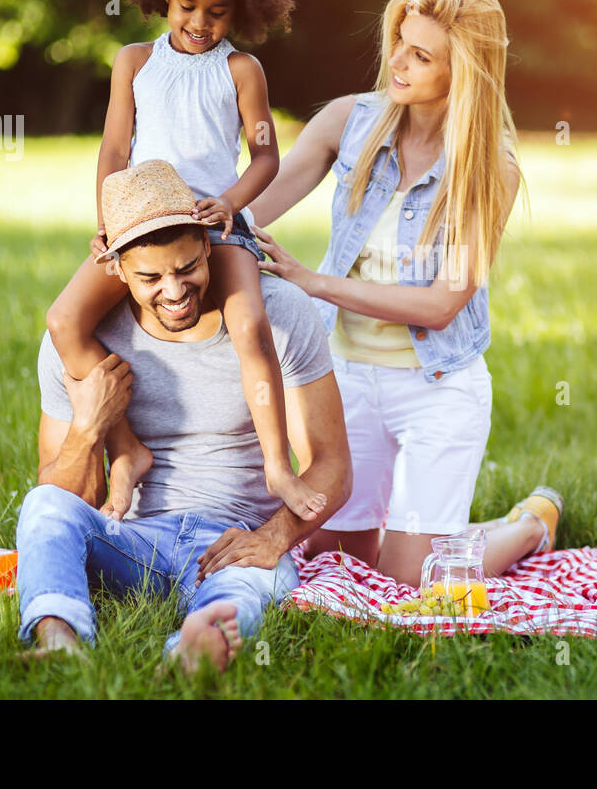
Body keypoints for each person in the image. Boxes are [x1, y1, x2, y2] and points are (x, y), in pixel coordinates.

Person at [249, 0, 561, 588]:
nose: (398, 61)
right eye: (399, 41)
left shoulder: (489, 167)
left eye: (422, 56)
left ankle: (527, 526)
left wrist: (314, 283)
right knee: (337, 557)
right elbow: (254, 205)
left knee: (415, 580)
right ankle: (441, 532)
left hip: (436, 387)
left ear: (464, 71)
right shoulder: (349, 121)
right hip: (351, 378)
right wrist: (166, 227)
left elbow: (443, 303)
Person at [44, 0, 327, 526]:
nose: (200, 23)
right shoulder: (134, 62)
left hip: (211, 227)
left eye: (218, 13)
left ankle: (278, 465)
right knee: (65, 322)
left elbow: (265, 159)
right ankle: (127, 450)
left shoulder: (242, 71)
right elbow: (114, 149)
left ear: (242, 11)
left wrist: (227, 204)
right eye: (188, 6)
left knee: (251, 326)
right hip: (140, 227)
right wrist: (109, 223)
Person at [17, 160, 351, 671]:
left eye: (188, 267)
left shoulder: (280, 315)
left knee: (241, 588)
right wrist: (89, 429)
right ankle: (59, 638)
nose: (174, 291)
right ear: (115, 268)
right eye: (150, 277)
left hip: (238, 540)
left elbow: (332, 466)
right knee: (43, 507)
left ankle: (192, 652)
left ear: (208, 244)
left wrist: (273, 538)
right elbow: (63, 493)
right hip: (136, 539)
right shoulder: (79, 341)